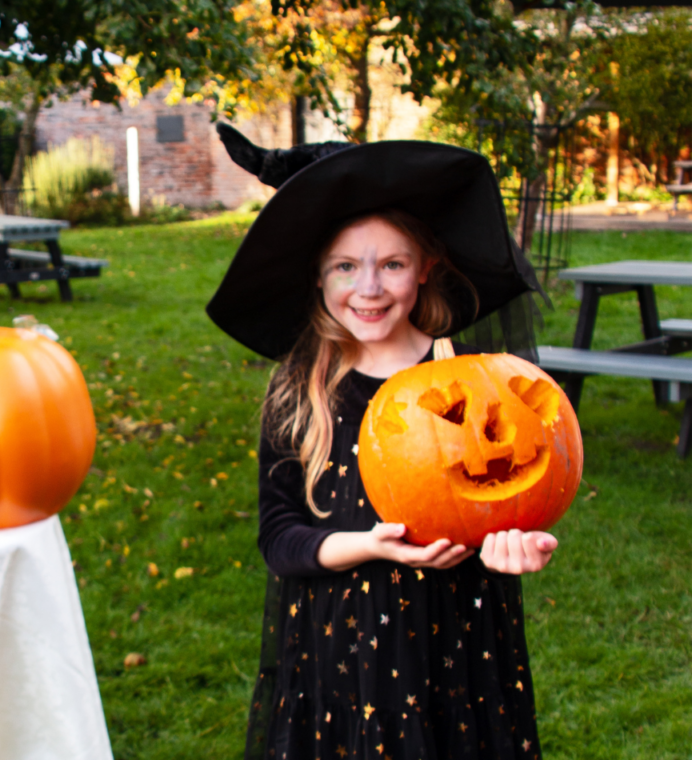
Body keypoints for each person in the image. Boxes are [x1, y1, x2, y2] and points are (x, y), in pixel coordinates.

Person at [206, 139, 557, 759]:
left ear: (426, 265)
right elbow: (279, 536)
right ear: (317, 272)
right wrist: (368, 545)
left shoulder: (472, 381)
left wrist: (514, 545)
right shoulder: (301, 388)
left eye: (392, 264)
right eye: (346, 267)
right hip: (340, 652)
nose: (368, 288)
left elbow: (501, 495)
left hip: (454, 644)